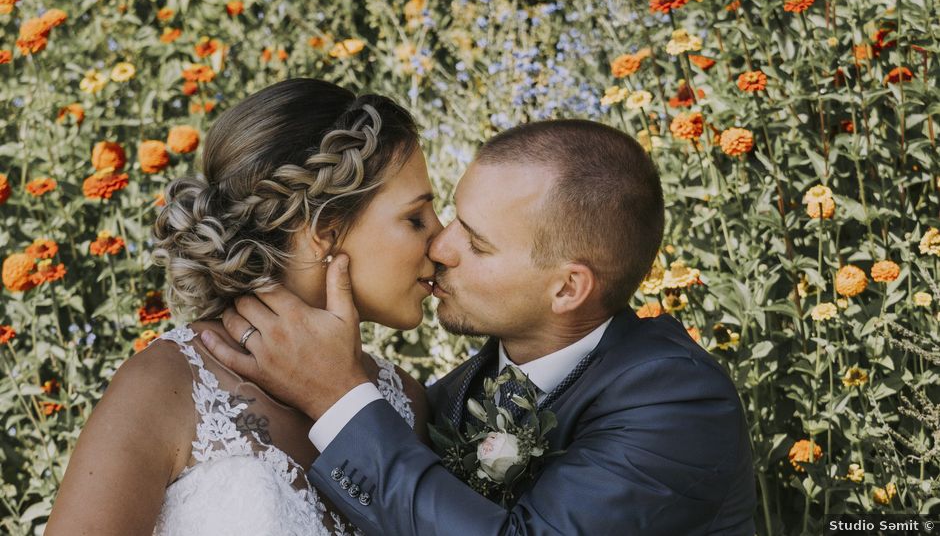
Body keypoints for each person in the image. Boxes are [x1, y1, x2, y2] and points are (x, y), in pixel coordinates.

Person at [203, 119, 758, 534]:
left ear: (567, 288)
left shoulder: (677, 401)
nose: (440, 247)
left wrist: (335, 395)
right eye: (451, 217)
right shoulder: (454, 393)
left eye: (477, 241)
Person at [45, 78, 442, 535]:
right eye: (416, 218)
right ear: (325, 232)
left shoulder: (405, 405)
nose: (443, 239)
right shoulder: (165, 388)